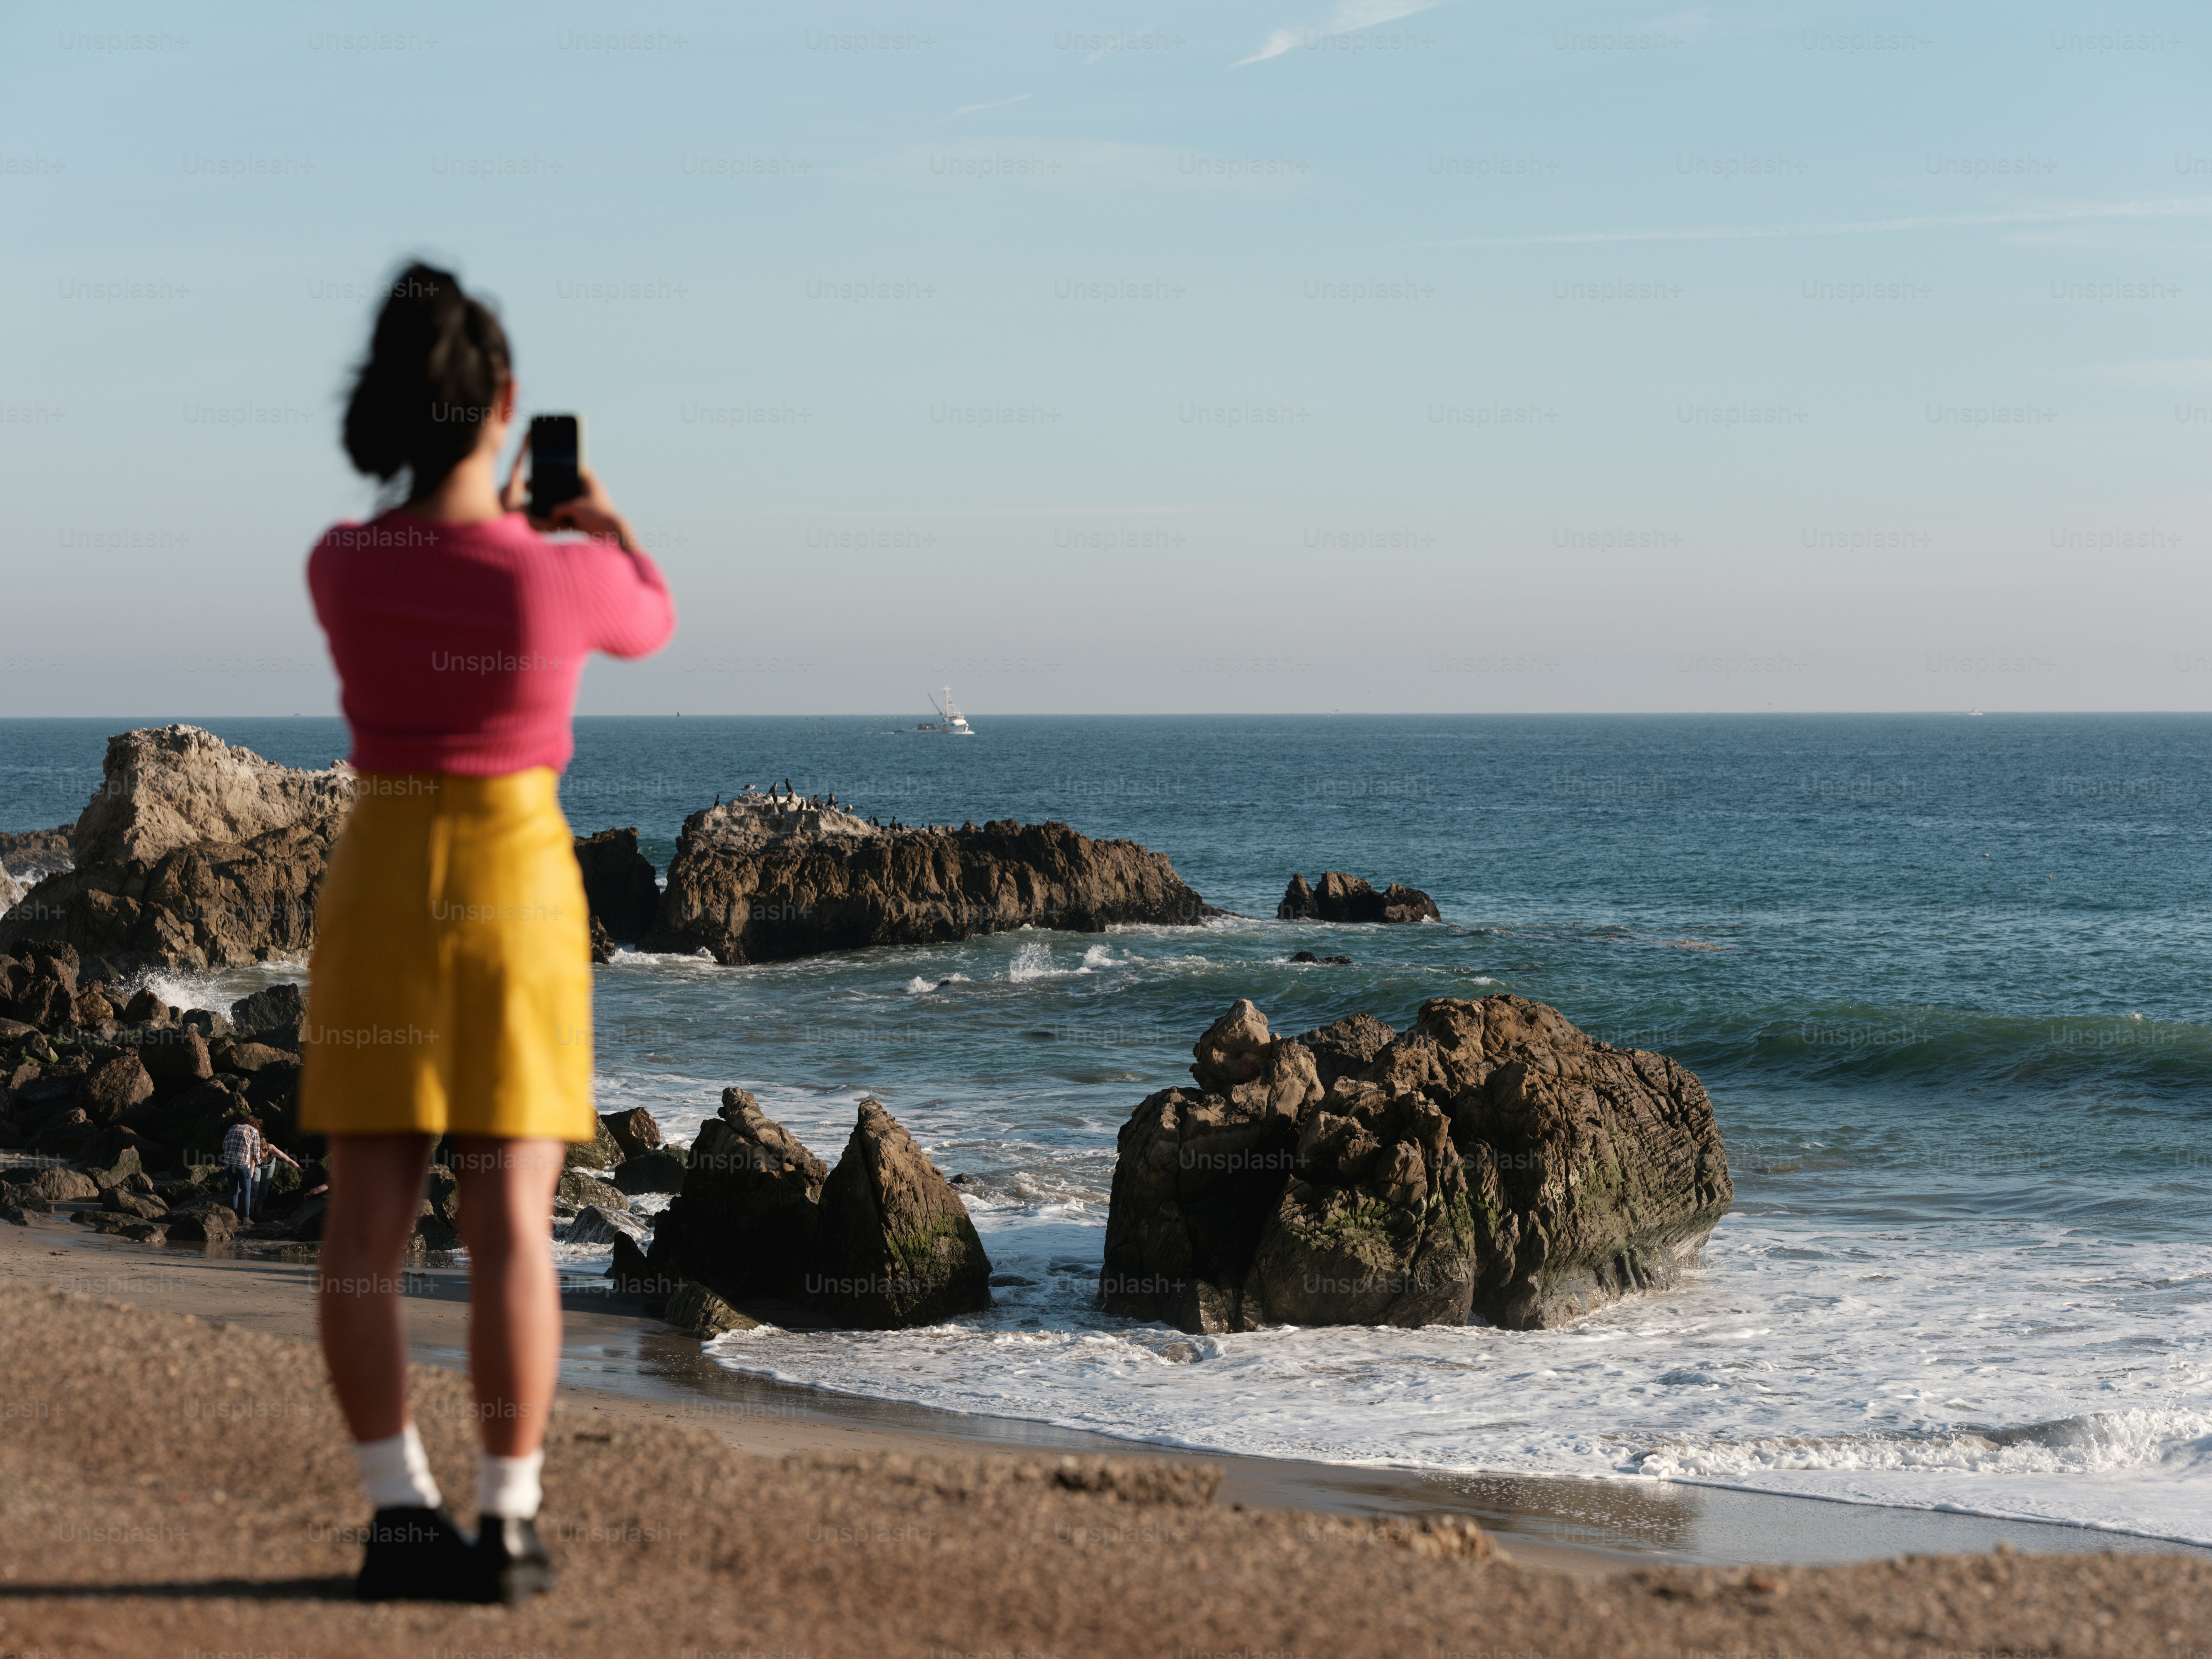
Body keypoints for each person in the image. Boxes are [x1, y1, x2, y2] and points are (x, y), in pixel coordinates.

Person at [300, 262, 675, 1605]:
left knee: (364, 1227)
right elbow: (651, 614)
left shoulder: (339, 567)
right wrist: (599, 519)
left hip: (385, 880)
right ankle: (508, 1520)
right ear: (506, 405)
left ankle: (399, 1514)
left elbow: (411, 556)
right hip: (515, 885)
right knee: (512, 1217)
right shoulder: (558, 578)